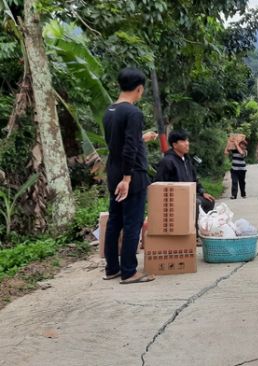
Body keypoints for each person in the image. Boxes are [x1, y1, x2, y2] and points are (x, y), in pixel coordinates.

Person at [103, 68, 156, 284]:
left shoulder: (110, 111)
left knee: (115, 220)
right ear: (139, 88)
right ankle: (129, 271)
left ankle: (112, 268)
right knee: (132, 222)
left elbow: (120, 143)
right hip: (131, 175)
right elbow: (129, 148)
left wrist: (141, 138)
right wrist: (127, 179)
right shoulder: (133, 113)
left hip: (114, 171)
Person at [154, 130, 215, 215]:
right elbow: (158, 184)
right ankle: (193, 228)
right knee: (195, 204)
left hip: (190, 195)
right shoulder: (167, 161)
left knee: (209, 201)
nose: (187, 143)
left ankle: (202, 226)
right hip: (175, 198)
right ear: (174, 145)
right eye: (183, 141)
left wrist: (202, 192)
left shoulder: (187, 159)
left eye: (187, 140)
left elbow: (195, 179)